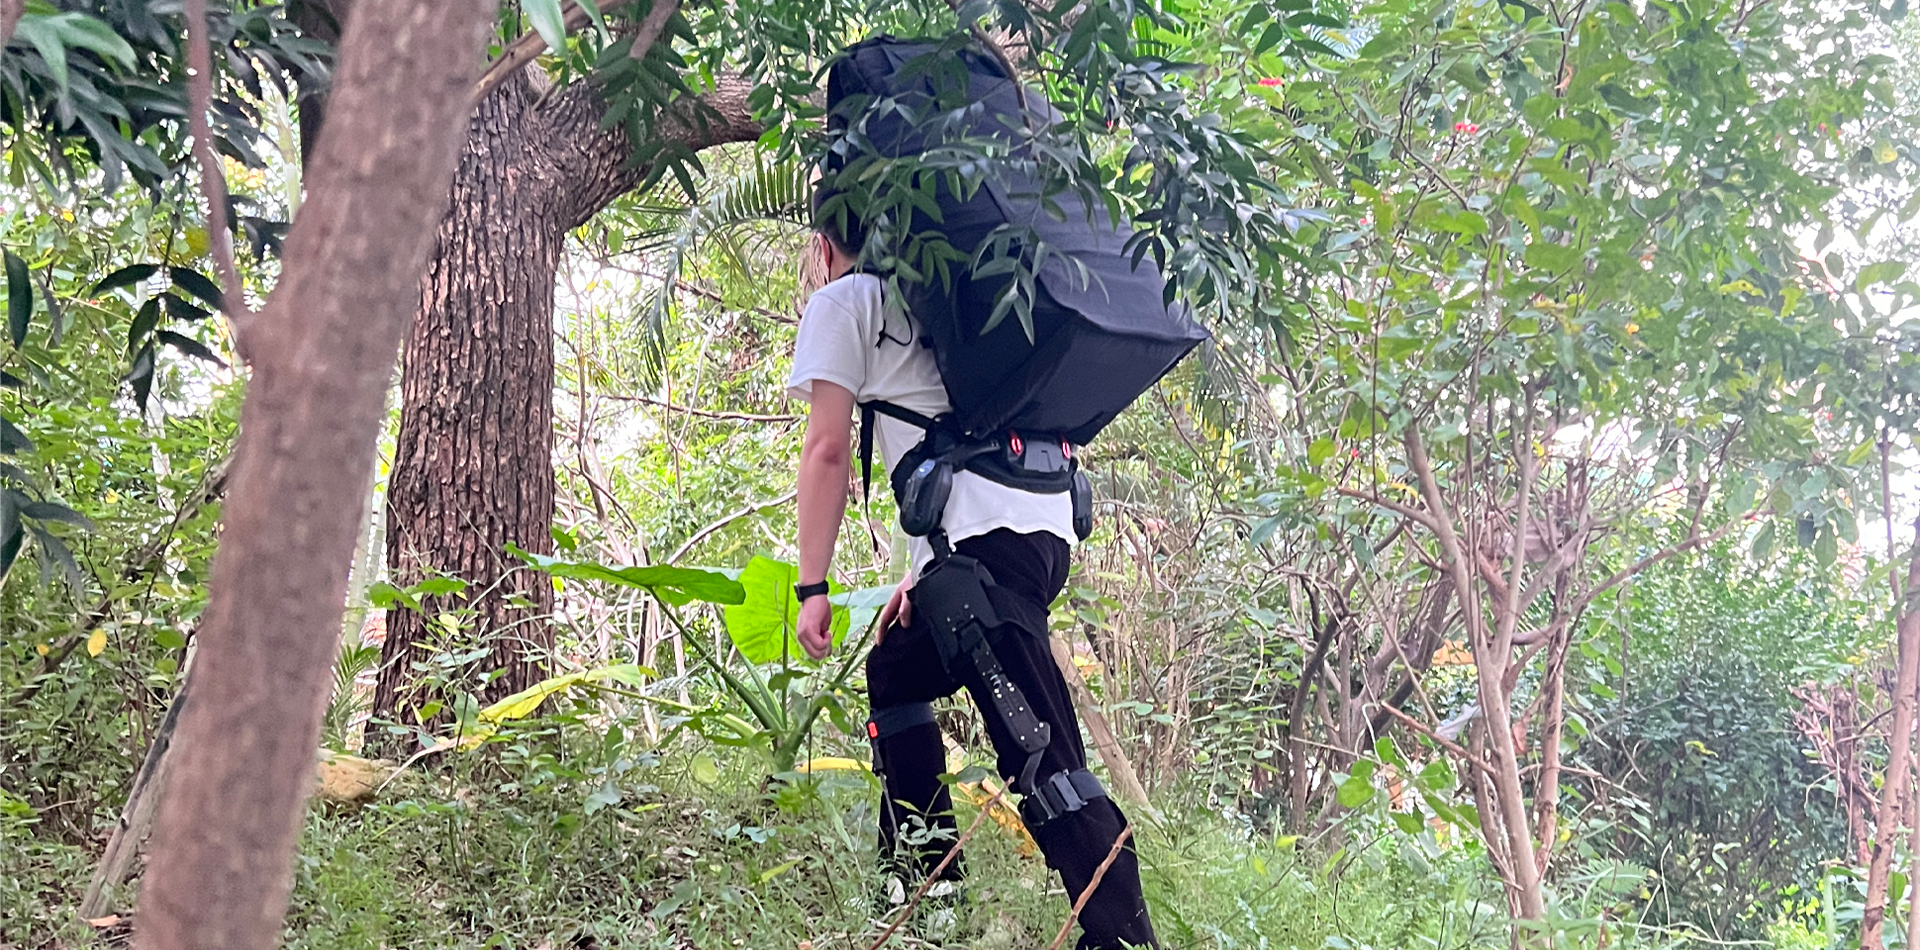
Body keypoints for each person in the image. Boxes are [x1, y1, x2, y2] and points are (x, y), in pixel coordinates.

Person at [786, 205, 1160, 950]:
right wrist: (924, 575)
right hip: (1034, 536)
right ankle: (928, 889)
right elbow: (952, 432)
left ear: (826, 247)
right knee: (896, 668)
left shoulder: (849, 301)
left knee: (1041, 752)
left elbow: (827, 449)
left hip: (984, 553)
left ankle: (1124, 936)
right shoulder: (952, 293)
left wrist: (812, 588)